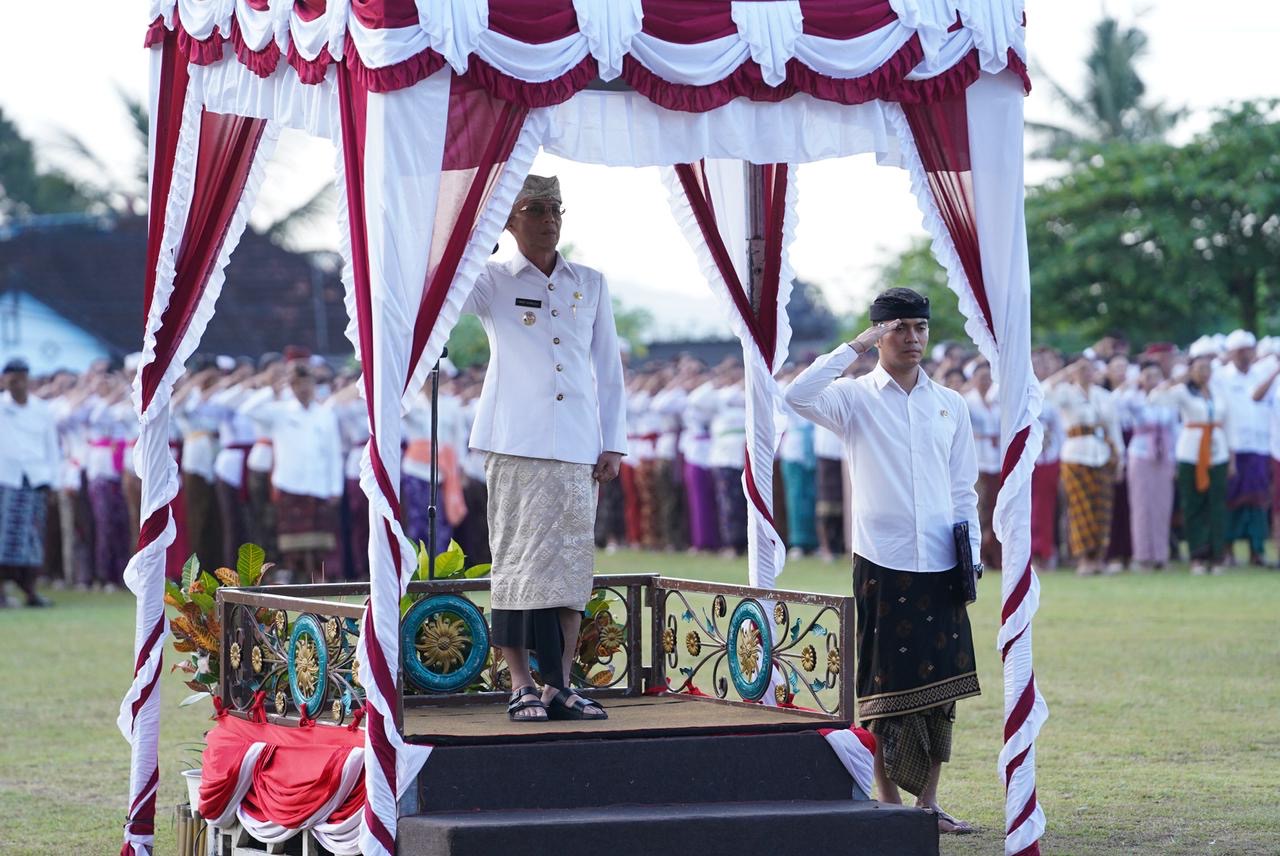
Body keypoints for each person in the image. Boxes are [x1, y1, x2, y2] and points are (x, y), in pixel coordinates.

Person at [784, 287, 981, 835]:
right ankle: (887, 796)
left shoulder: (951, 403)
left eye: (920, 327)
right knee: (881, 683)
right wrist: (854, 347)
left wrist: (975, 555)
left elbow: (964, 488)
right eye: (899, 328)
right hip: (882, 558)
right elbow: (796, 396)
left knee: (944, 684)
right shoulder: (853, 399)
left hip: (943, 559)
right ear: (879, 335)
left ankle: (930, 803)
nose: (913, 338)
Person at [462, 174, 626, 722]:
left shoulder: (591, 281)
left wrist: (613, 442)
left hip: (578, 443)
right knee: (517, 563)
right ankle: (520, 681)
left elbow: (608, 367)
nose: (549, 218)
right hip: (515, 440)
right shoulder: (489, 279)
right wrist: (481, 226)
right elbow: (442, 282)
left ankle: (560, 682)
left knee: (571, 568)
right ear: (510, 220)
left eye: (556, 208)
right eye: (534, 208)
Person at [256, 362, 344, 583]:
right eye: (297, 384)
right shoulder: (281, 411)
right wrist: (273, 389)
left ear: (313, 384)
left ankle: (319, 583)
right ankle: (293, 581)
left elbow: (334, 453)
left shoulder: (325, 414)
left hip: (319, 485)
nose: (303, 388)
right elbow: (248, 410)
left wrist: (336, 487)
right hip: (290, 484)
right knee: (291, 545)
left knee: (320, 546)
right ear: (292, 386)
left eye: (307, 383)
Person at [1151, 343, 1233, 575]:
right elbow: (1155, 399)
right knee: (1193, 504)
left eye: (1207, 368)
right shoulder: (1183, 392)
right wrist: (1177, 380)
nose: (1204, 372)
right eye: (1199, 368)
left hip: (1218, 452)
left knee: (1216, 504)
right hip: (1191, 452)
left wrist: (1232, 456)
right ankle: (1198, 554)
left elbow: (1230, 423)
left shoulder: (1219, 392)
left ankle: (1217, 555)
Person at [1045, 359, 1124, 576]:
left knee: (1101, 508)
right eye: (1081, 370)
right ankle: (1082, 558)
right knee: (1080, 508)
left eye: (1089, 369)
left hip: (1101, 454)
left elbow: (1113, 428)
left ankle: (1099, 556)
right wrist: (1066, 372)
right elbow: (1043, 393)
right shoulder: (1066, 393)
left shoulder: (1104, 396)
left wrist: (1120, 459)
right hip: (1075, 455)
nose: (1086, 373)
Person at [0, 359, 60, 607]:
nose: (19, 386)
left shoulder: (41, 409)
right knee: (3, 540)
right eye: (13, 381)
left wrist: (54, 481)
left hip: (36, 480)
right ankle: (2, 593)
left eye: (23, 380)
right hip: (6, 480)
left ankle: (31, 592)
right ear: (4, 381)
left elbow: (52, 447)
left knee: (34, 539)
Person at [1216, 330, 1272, 567]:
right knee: (1230, 500)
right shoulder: (1221, 377)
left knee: (1257, 501)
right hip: (1232, 447)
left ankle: (1256, 550)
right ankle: (1227, 550)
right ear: (1231, 353)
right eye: (1239, 351)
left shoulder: (1262, 374)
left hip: (1259, 446)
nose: (1245, 355)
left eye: (1248, 350)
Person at [1122, 361, 1178, 570]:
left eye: (1156, 375)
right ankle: (1143, 555)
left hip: (1164, 455)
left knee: (1163, 505)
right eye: (1148, 376)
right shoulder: (1134, 398)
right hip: (1141, 452)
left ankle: (1161, 555)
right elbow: (1119, 404)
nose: (1152, 380)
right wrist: (1132, 385)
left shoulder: (1168, 399)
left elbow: (1174, 428)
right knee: (1141, 505)